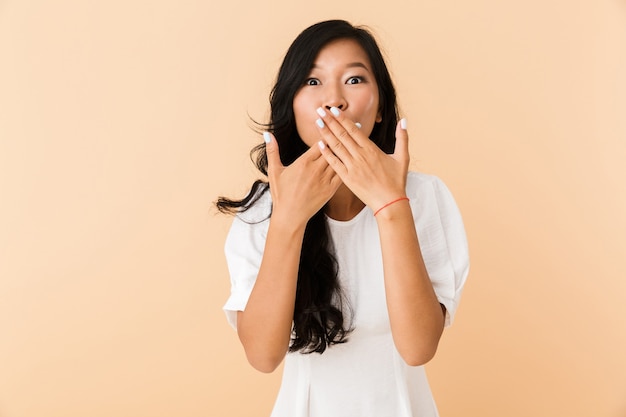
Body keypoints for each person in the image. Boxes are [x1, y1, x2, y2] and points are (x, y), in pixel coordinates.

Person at [216, 19, 469, 417]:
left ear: (382, 106)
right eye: (312, 83)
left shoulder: (424, 197)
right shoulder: (262, 211)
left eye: (354, 79)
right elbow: (263, 356)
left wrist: (390, 205)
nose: (333, 100)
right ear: (291, 105)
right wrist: (288, 220)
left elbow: (419, 348)